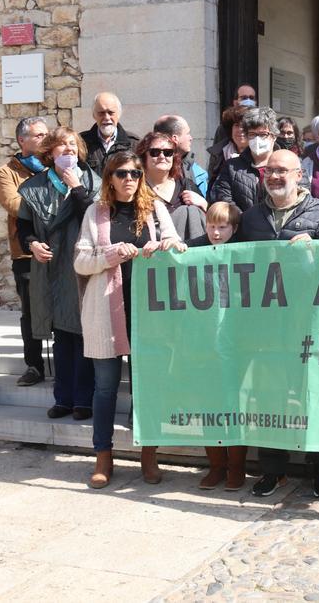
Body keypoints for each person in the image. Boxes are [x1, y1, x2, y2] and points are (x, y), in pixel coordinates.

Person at [75, 151, 185, 489]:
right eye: (121, 174)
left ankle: (148, 453)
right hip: (107, 312)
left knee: (147, 386)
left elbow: (177, 246)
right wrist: (111, 254)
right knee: (106, 387)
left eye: (135, 174)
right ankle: (103, 456)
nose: (129, 180)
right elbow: (80, 260)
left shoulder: (155, 209)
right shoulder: (95, 212)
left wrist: (165, 244)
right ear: (109, 177)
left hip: (147, 312)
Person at [239, 149, 319, 498]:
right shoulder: (252, 218)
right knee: (269, 399)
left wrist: (316, 247)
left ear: (300, 174)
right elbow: (226, 257)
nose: (275, 176)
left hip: (307, 323)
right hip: (266, 326)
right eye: (269, 171)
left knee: (315, 395)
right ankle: (273, 471)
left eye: (283, 171)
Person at [17, 127, 101, 421]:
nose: (68, 150)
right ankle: (63, 398)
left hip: (82, 267)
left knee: (84, 335)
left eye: (72, 145)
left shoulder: (93, 182)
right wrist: (32, 244)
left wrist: (75, 186)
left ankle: (84, 400)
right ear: (49, 152)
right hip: (51, 268)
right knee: (62, 337)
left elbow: (96, 219)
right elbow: (23, 227)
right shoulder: (35, 187)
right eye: (61, 145)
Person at [185, 202, 249, 491]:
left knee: (234, 406)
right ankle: (216, 466)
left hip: (236, 342)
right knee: (207, 404)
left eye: (223, 226)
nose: (216, 231)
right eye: (211, 225)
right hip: (203, 341)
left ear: (234, 229)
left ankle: (237, 468)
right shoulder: (194, 249)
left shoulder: (246, 252)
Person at [0, 116, 49, 387]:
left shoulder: (55, 165)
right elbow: (14, 204)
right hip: (26, 251)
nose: (44, 139)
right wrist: (49, 203)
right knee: (31, 311)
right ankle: (34, 365)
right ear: (22, 140)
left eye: (45, 134)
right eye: (38, 135)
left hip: (58, 248)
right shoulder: (7, 171)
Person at [209, 107, 312, 211]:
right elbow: (222, 199)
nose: (257, 139)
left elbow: (302, 198)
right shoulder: (232, 167)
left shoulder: (292, 163)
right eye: (252, 134)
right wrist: (248, 221)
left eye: (263, 134)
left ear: (274, 136)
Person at [141, 131, 208, 243]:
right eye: (155, 152)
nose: (162, 156)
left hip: (191, 251)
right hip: (155, 251)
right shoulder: (137, 188)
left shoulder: (186, 185)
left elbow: (215, 222)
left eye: (168, 153)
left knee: (191, 211)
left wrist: (204, 204)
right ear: (144, 157)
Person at [81, 92, 140, 175]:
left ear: (119, 114)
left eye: (111, 112)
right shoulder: (81, 142)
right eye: (101, 113)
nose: (107, 118)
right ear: (94, 115)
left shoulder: (134, 144)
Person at [153, 114, 210, 192]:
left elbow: (206, 200)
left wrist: (203, 203)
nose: (191, 138)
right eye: (187, 133)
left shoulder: (198, 172)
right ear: (175, 138)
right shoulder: (145, 168)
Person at [205, 105, 249, 190]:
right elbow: (212, 187)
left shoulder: (259, 155)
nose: (240, 129)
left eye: (244, 125)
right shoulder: (219, 154)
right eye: (236, 125)